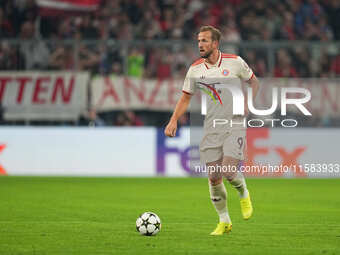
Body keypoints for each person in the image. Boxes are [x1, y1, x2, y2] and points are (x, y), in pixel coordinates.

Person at [164, 25, 260, 235]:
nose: (200, 44)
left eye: (205, 41)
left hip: (234, 124)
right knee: (214, 177)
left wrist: (248, 103)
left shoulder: (235, 62)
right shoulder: (195, 69)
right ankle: (224, 221)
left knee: (228, 170)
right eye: (199, 41)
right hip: (212, 126)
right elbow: (185, 97)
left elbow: (254, 82)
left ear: (215, 43)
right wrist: (173, 120)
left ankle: (243, 193)